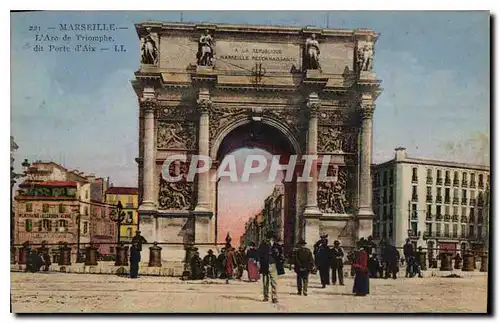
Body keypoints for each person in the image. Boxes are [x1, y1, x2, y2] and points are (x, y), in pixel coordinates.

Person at [258, 231, 284, 303]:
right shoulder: (263, 245)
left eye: (270, 238)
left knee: (274, 282)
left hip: (273, 265)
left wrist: (279, 260)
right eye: (268, 238)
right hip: (265, 265)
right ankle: (266, 296)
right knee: (265, 282)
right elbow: (259, 255)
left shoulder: (277, 246)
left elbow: (281, 256)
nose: (269, 240)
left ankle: (274, 297)